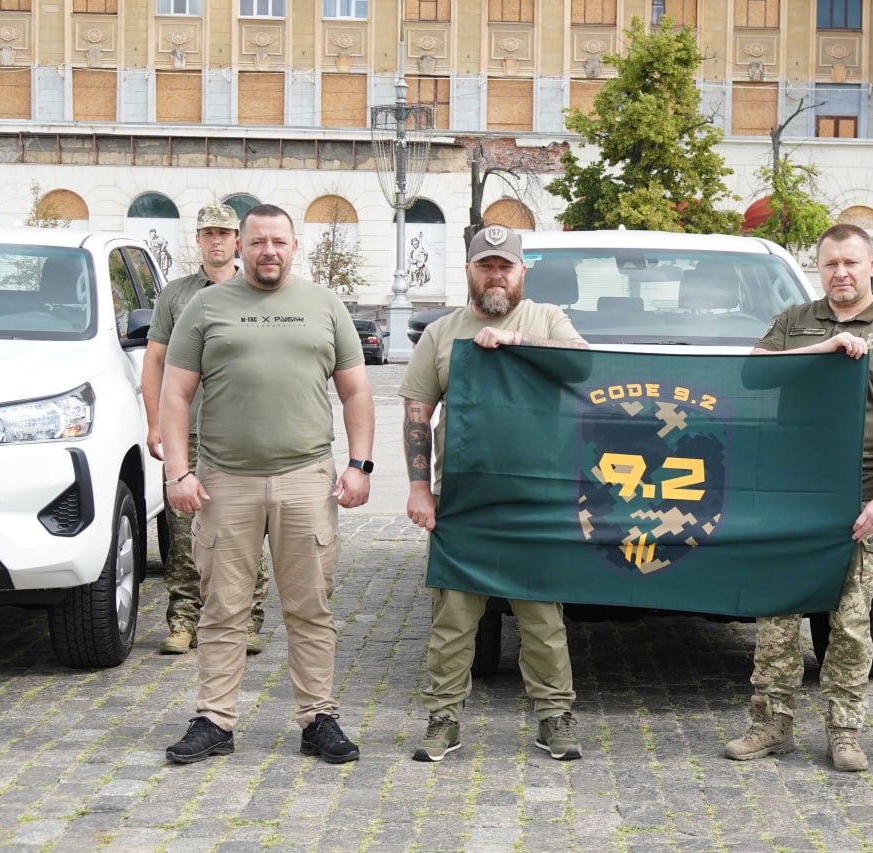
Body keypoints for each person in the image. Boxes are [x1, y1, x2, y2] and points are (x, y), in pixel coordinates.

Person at [160, 204, 374, 765]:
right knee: (223, 607)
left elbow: (356, 391)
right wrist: (177, 471)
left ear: (294, 246)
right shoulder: (206, 307)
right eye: (257, 242)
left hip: (307, 479)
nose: (268, 251)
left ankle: (317, 718)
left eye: (278, 241)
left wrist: (361, 464)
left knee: (310, 606)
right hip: (224, 481)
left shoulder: (324, 305)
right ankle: (215, 719)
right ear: (240, 246)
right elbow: (175, 394)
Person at [723, 223, 873, 772]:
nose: (840, 272)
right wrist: (824, 348)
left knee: (852, 622)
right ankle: (771, 724)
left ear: (872, 264)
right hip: (791, 500)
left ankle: (844, 730)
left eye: (851, 263)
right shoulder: (795, 322)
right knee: (776, 618)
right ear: (819, 266)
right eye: (831, 263)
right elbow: (748, 374)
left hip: (859, 505)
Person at [401, 225, 589, 763]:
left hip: (534, 496)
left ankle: (554, 716)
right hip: (462, 499)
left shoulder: (547, 320)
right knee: (454, 620)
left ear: (522, 271)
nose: (496, 275)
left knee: (542, 618)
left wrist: (518, 342)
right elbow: (417, 410)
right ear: (469, 271)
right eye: (486, 265)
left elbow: (582, 365)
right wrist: (419, 488)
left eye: (505, 266)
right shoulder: (442, 333)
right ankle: (443, 719)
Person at [142, 203, 270, 656]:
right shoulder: (176, 295)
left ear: (238, 240)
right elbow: (155, 359)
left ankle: (249, 620)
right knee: (183, 534)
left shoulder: (257, 290)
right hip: (189, 432)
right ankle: (183, 621)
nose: (216, 241)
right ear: (197, 240)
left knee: (245, 531)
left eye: (225, 233)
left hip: (242, 434)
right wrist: (155, 422)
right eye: (207, 233)